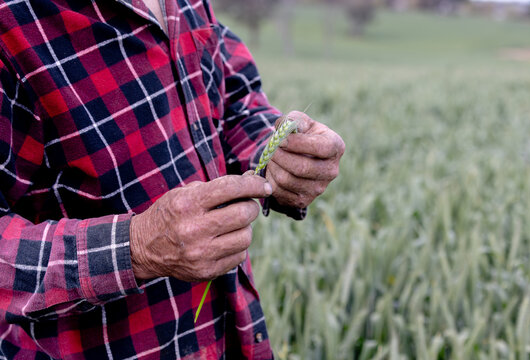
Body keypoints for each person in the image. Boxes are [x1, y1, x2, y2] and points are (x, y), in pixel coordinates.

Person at [0, 0, 345, 358]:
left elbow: (229, 96)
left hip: (230, 334)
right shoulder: (12, 22)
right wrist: (138, 248)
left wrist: (277, 154)